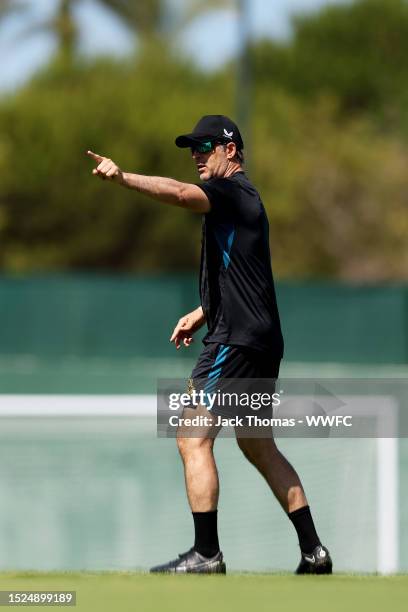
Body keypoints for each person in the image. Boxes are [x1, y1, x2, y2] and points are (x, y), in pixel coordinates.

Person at [87, 114, 332, 575]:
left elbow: (179, 194)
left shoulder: (230, 193)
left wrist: (122, 177)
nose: (197, 155)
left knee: (191, 436)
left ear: (231, 150)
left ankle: (206, 554)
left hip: (236, 342)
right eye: (193, 148)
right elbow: (246, 274)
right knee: (258, 445)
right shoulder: (246, 202)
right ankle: (314, 551)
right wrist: (203, 312)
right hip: (258, 338)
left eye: (205, 147)